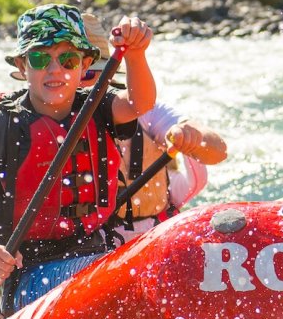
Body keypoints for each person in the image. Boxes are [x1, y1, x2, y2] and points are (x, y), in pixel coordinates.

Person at [0, 3, 155, 315]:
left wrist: (136, 53)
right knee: (109, 278)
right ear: (22, 66)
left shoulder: (98, 107)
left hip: (98, 255)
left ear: (85, 64)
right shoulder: (5, 126)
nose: (55, 69)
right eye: (40, 58)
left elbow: (140, 102)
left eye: (68, 59)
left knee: (126, 275)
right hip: (30, 274)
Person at [69, 14, 228, 239]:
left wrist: (189, 137)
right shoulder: (29, 121)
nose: (76, 84)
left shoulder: (145, 112)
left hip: (150, 236)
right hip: (84, 249)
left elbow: (218, 152)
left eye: (86, 73)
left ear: (108, 74)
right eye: (67, 71)